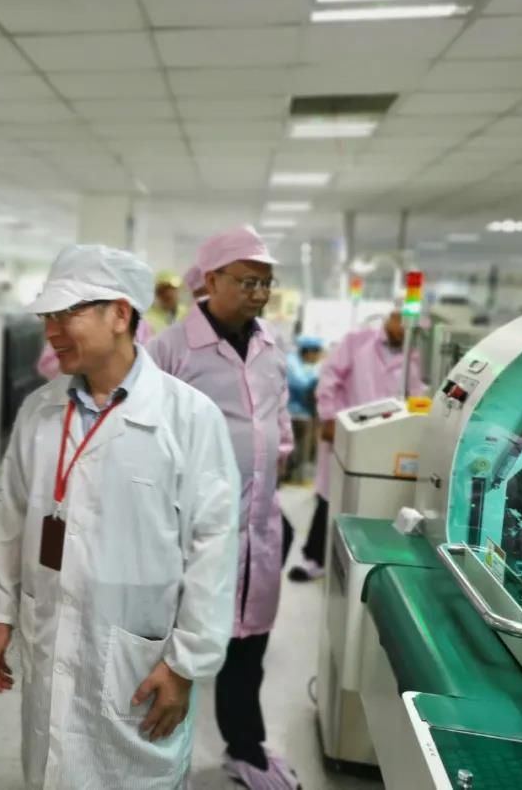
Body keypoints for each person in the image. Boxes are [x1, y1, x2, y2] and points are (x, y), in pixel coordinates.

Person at [0, 244, 241, 790]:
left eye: (66, 314)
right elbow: (13, 517)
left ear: (120, 314)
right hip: (51, 639)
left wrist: (186, 665)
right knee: (50, 768)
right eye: (47, 316)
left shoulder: (189, 418)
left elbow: (213, 548)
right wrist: (1, 612)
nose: (51, 331)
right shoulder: (40, 411)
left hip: (138, 659)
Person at [147, 225, 299, 790]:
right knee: (171, 645)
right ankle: (154, 760)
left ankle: (245, 748)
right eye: (247, 281)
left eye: (266, 283)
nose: (259, 293)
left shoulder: (271, 344)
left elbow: (278, 418)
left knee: (249, 644)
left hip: (258, 521)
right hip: (188, 528)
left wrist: (275, 461)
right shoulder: (168, 350)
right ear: (211, 280)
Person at [289, 309, 425, 583]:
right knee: (330, 498)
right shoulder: (357, 341)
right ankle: (314, 559)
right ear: (390, 317)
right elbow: (329, 379)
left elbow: (415, 394)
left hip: (384, 440)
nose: (404, 330)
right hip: (346, 432)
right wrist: (329, 417)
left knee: (370, 500)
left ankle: (359, 562)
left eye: (412, 327)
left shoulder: (412, 355)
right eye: (401, 322)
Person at [284, 336, 323, 483]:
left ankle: (297, 477)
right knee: (292, 447)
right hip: (292, 413)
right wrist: (318, 379)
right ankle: (289, 476)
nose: (317, 358)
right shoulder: (291, 362)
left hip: (304, 413)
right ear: (309, 352)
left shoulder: (304, 364)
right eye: (317, 354)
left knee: (302, 448)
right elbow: (302, 384)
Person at [145, 270, 187, 335]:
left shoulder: (187, 313)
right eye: (163, 291)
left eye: (174, 290)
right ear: (157, 293)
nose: (170, 293)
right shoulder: (147, 318)